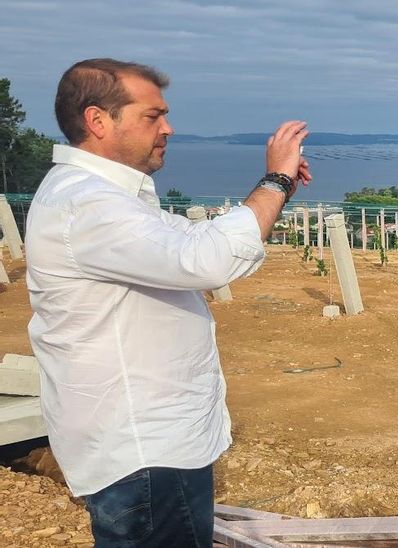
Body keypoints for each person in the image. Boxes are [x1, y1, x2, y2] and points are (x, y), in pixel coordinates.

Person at [25, 58, 312, 547]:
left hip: (145, 439)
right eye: (152, 116)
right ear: (98, 121)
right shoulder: (89, 203)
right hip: (145, 448)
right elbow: (208, 260)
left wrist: (267, 196)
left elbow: (195, 240)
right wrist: (276, 181)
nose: (169, 128)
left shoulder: (103, 198)